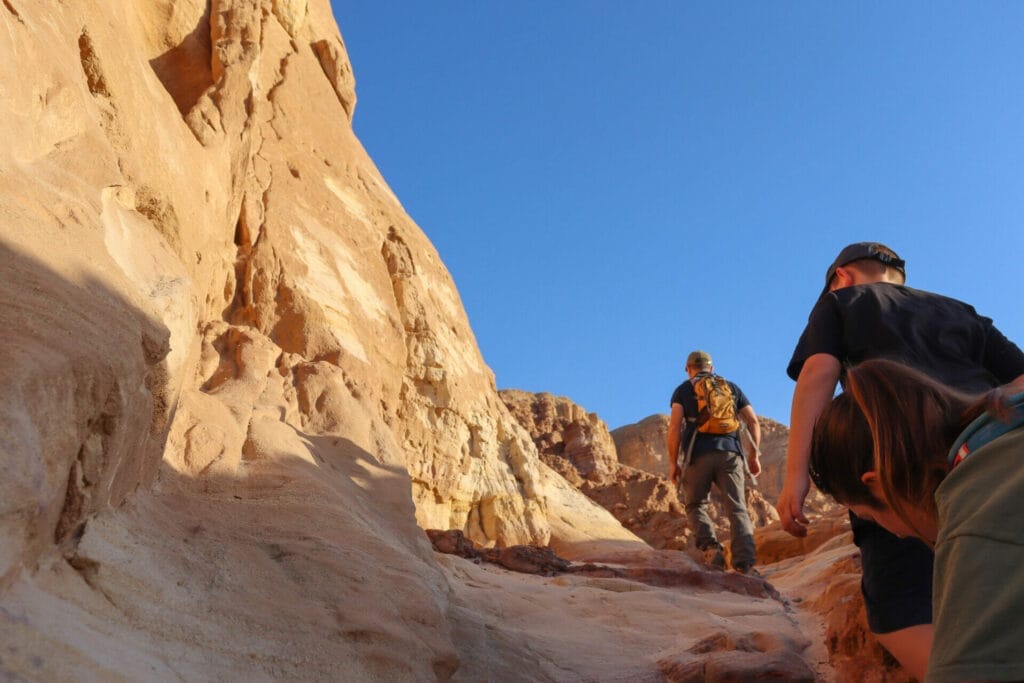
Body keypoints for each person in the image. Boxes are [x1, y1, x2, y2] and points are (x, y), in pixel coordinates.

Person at [778, 241, 1024, 678]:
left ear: (842, 276)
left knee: (899, 611)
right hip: (981, 444)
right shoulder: (958, 310)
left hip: (895, 458)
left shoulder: (842, 302)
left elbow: (819, 371)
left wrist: (797, 476)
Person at [809, 358, 1024, 683]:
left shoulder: (974, 525)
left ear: (877, 482)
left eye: (871, 517)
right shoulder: (1005, 422)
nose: (895, 534)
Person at [668, 350, 762, 573]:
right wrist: (754, 455)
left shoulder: (683, 390)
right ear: (711, 368)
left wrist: (674, 463)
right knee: (737, 507)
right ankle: (744, 563)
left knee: (696, 504)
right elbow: (753, 422)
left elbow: (674, 427)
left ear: (688, 369)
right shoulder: (730, 387)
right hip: (730, 454)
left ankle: (712, 550)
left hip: (697, 455)